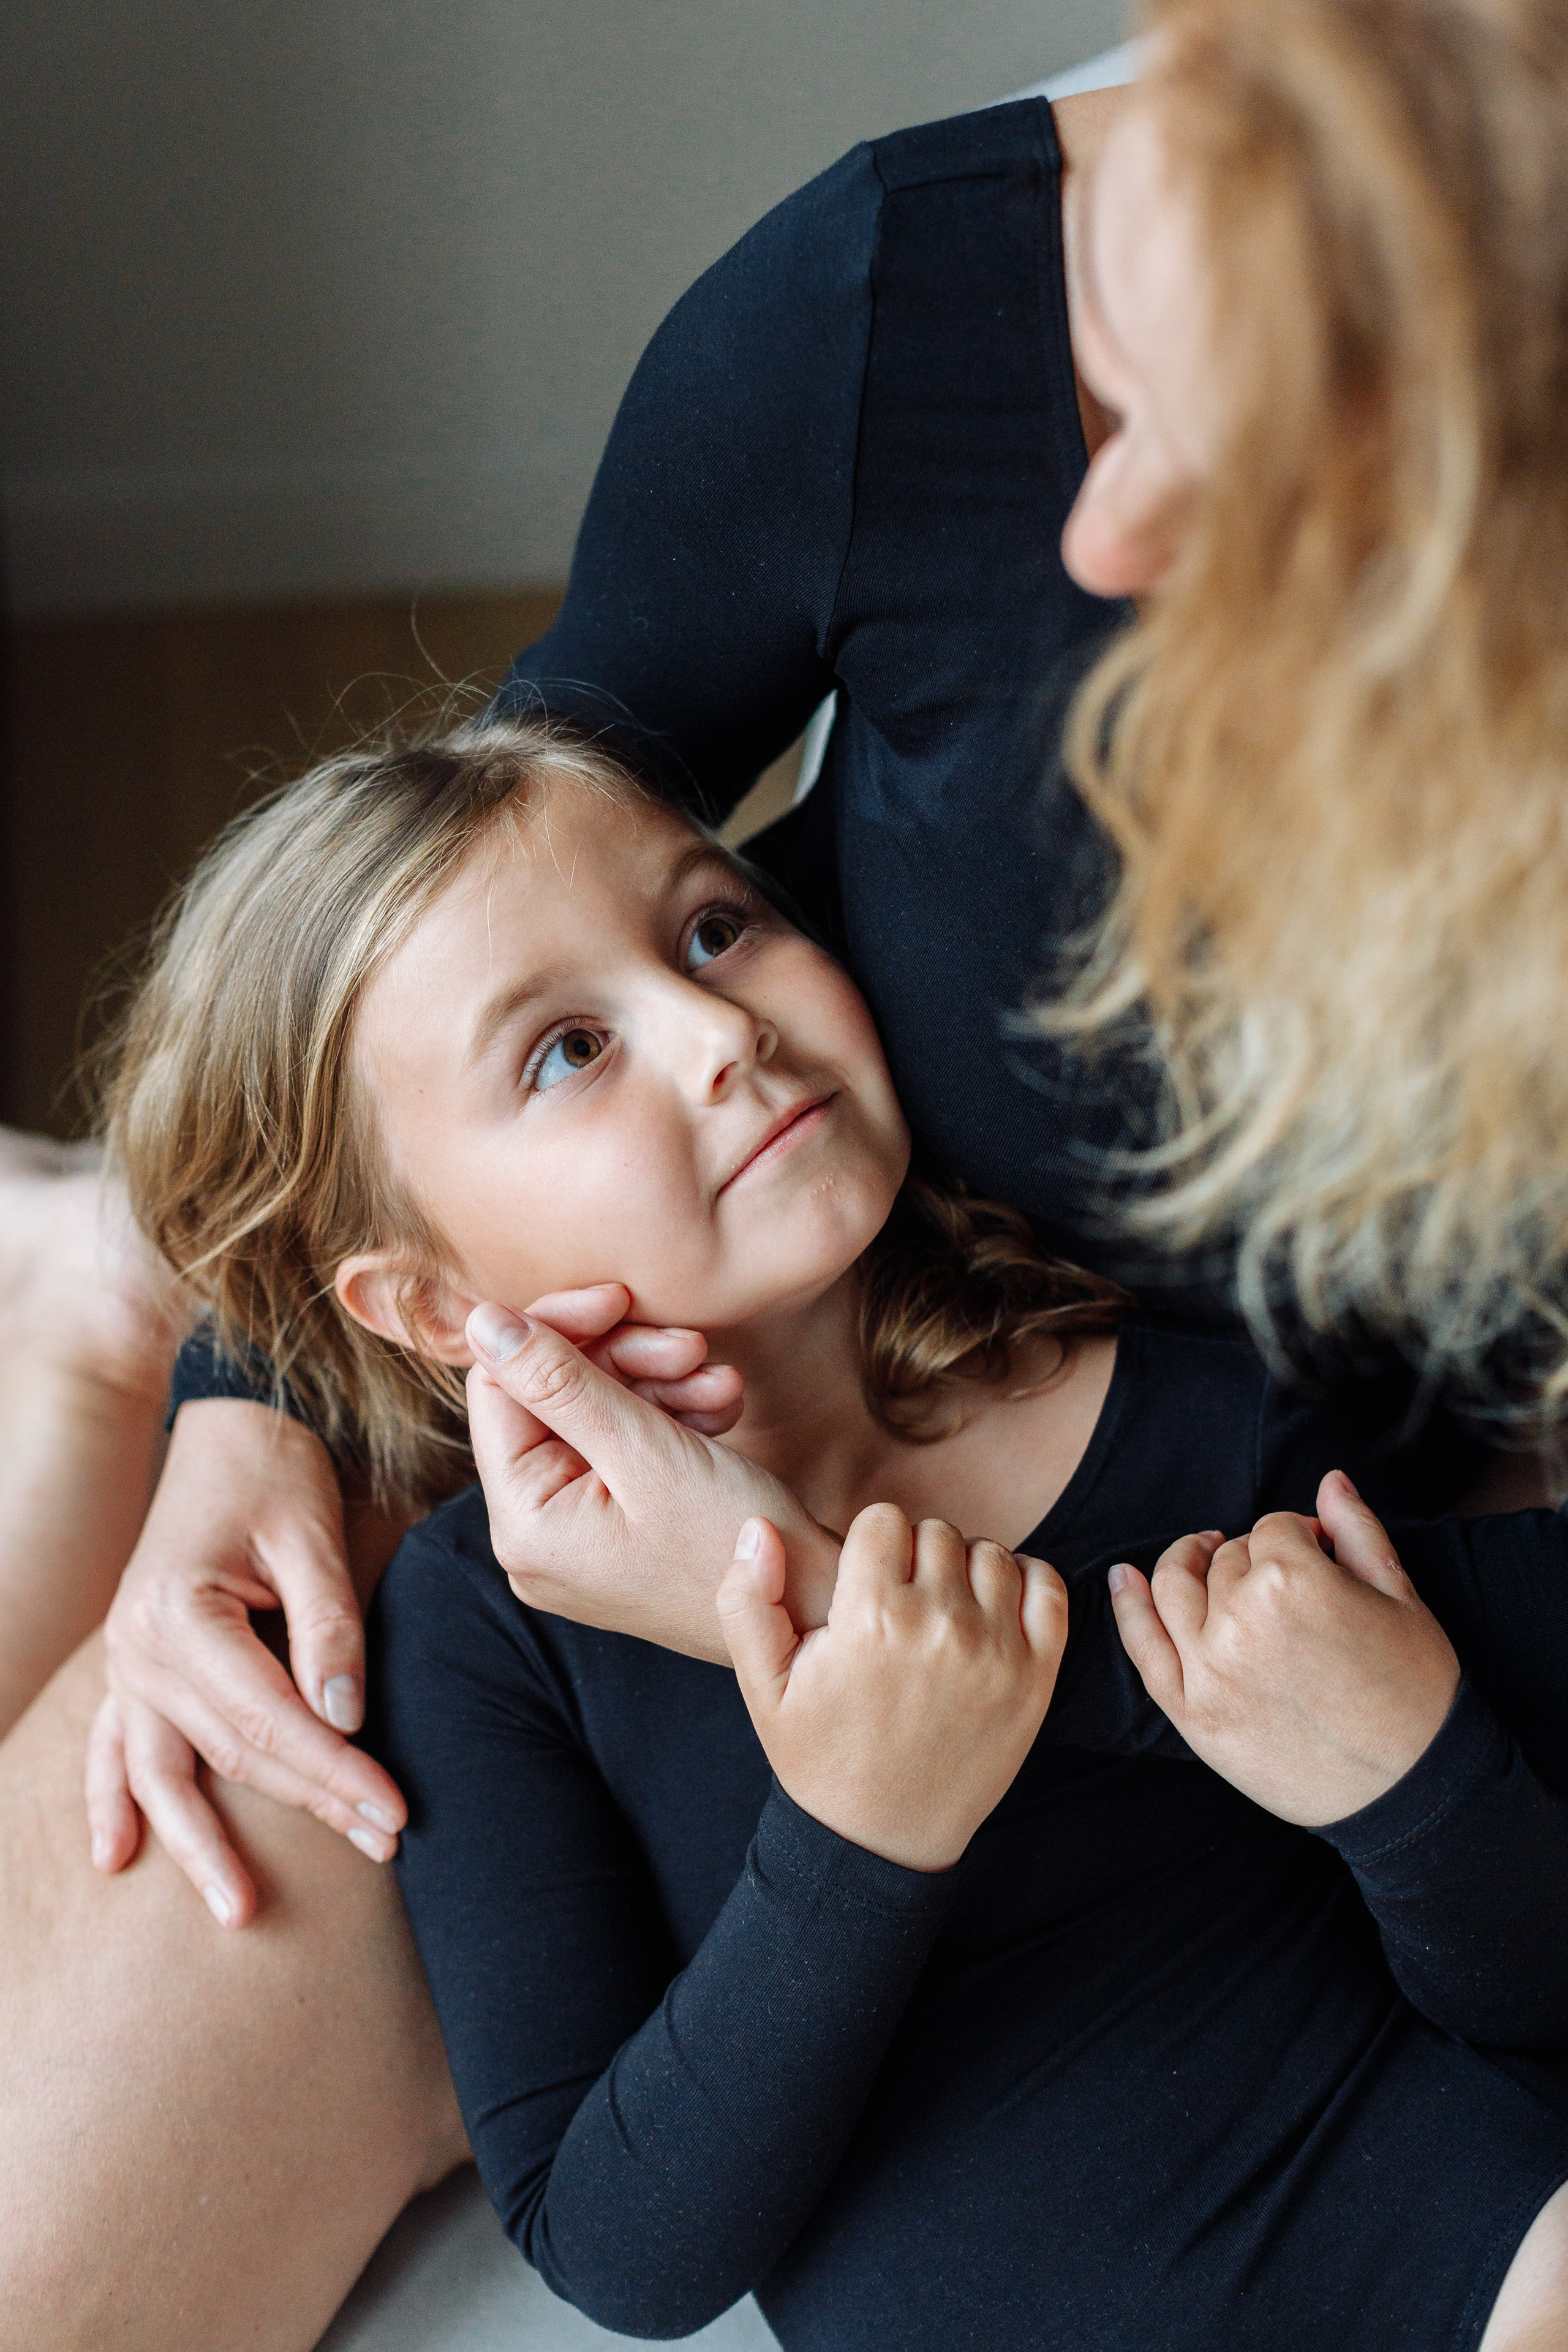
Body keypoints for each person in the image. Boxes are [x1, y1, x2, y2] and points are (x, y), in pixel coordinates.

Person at [0, 2, 1563, 2342]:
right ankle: (100, 1293)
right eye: (1096, 349)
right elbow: (486, 861)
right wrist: (255, 1391)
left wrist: (827, 1615)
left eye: (1257, 447)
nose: (1106, 530)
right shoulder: (889, 315)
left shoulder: (1234, 1436)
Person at [102, 710, 1568, 2350]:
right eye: (566, 1049)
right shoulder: (492, 1624)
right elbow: (620, 2249)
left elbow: (1530, 2009)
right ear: (432, 1297)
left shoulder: (1207, 1410)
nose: (717, 1030)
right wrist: (860, 1830)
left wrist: (1417, 1789)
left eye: (716, 927)